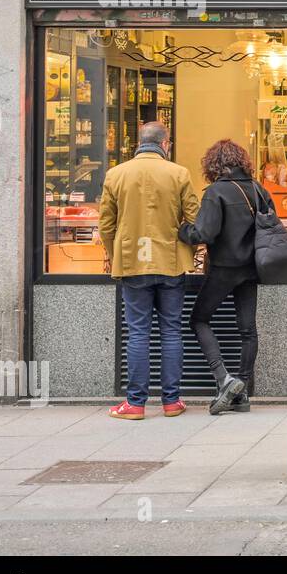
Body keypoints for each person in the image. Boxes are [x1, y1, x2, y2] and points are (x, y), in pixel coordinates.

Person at [99, 122, 200, 420]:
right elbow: (194, 220)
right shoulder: (178, 173)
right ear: (165, 144)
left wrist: (115, 252)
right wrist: (188, 249)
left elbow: (106, 224)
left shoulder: (116, 174)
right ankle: (171, 402)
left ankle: (135, 403)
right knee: (171, 331)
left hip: (132, 262)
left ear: (138, 143)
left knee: (138, 332)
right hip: (170, 262)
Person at [179, 140, 269, 415]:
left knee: (199, 319)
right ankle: (241, 390)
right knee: (247, 330)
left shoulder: (216, 192)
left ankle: (224, 378)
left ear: (212, 164)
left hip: (223, 268)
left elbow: (202, 233)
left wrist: (182, 229)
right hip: (252, 268)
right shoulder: (258, 189)